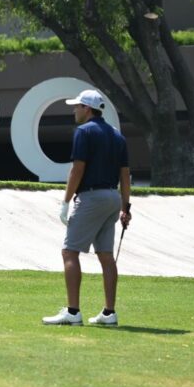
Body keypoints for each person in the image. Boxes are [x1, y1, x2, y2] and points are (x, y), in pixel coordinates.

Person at [43, 89, 132, 327]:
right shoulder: (117, 136)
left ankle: (73, 312)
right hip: (112, 198)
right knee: (106, 256)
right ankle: (109, 313)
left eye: (77, 106)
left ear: (88, 109)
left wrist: (65, 200)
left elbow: (77, 170)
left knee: (69, 252)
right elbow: (125, 175)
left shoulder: (83, 131)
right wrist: (126, 206)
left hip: (91, 198)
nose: (74, 110)